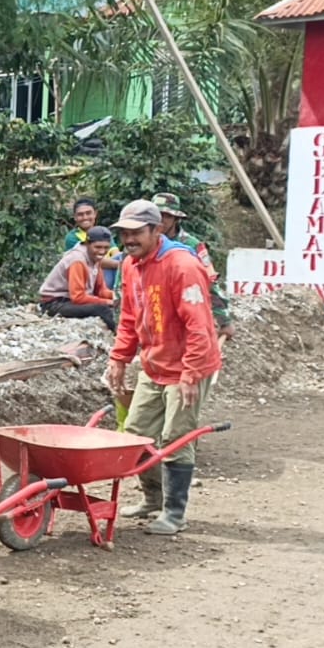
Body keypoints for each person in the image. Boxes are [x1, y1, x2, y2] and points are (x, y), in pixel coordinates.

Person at [105, 200, 222, 536]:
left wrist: (190, 375)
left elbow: (199, 325)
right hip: (154, 363)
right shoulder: (131, 265)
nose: (128, 240)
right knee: (135, 435)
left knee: (176, 437)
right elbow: (130, 316)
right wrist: (119, 358)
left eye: (136, 233)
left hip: (188, 365)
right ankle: (152, 499)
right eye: (124, 233)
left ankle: (174, 513)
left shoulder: (182, 265)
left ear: (157, 230)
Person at [152, 192, 234, 338]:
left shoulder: (192, 246)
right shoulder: (143, 243)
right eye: (157, 215)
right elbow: (124, 284)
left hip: (183, 309)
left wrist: (224, 321)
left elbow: (210, 281)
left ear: (176, 218)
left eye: (167, 216)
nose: (161, 220)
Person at [38, 225, 117, 329]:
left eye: (106, 248)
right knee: (103, 309)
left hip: (69, 300)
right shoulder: (78, 260)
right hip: (55, 303)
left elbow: (101, 291)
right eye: (98, 247)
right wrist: (109, 302)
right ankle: (119, 335)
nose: (102, 252)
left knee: (116, 306)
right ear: (87, 244)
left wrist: (118, 297)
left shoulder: (95, 259)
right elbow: (78, 297)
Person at [65, 198, 121, 289]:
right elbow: (91, 262)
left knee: (123, 257)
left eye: (88, 213)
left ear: (95, 214)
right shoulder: (72, 237)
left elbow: (115, 253)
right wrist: (120, 265)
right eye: (80, 215)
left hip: (108, 270)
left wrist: (122, 263)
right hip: (90, 275)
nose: (85, 217)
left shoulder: (102, 232)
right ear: (75, 217)